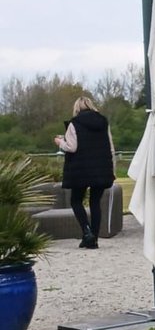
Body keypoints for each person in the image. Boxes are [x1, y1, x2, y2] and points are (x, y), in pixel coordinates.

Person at [53, 94, 116, 248]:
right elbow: (110, 146)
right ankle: (93, 239)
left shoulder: (74, 124)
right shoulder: (103, 123)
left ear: (77, 108)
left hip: (80, 170)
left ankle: (86, 231)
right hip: (101, 169)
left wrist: (60, 141)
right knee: (95, 202)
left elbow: (72, 147)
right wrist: (112, 168)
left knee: (76, 200)